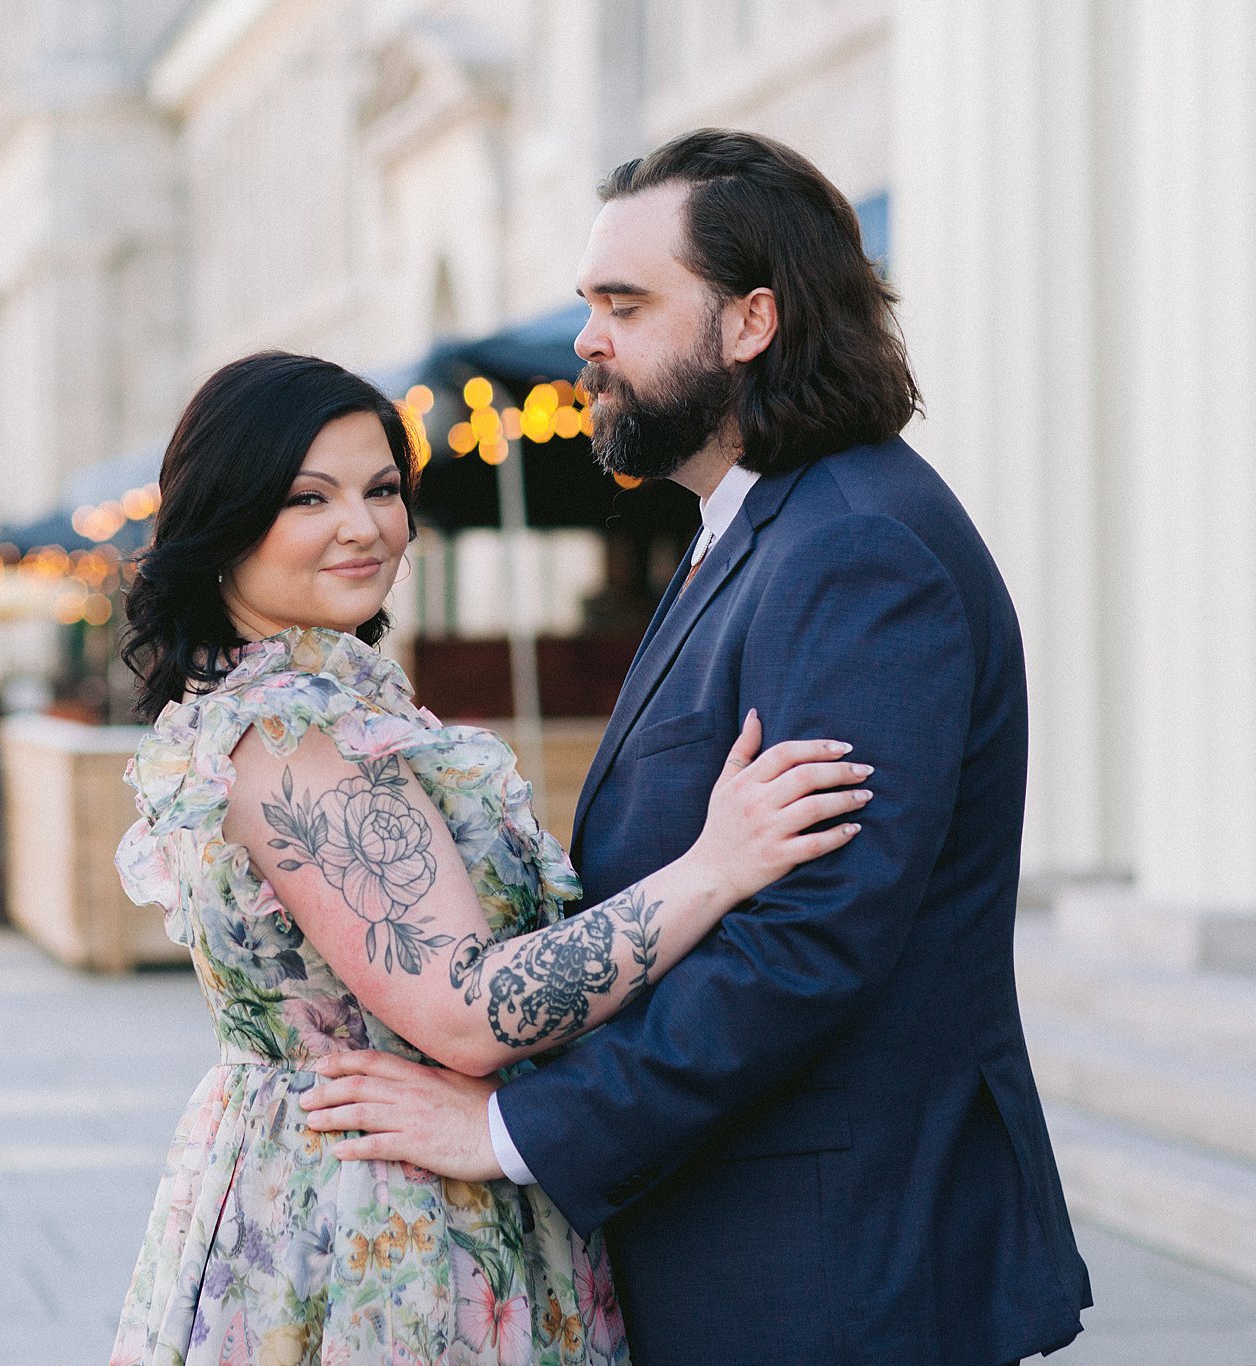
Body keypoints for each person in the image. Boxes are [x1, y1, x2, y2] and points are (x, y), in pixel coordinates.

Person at [302, 129, 1092, 1366]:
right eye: (586, 305)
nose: (585, 341)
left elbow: (806, 946)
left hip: (827, 1266)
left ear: (750, 321)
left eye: (624, 304)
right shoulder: (752, 528)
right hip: (754, 1239)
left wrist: (515, 1129)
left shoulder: (854, 550)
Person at [109, 350, 868, 1365]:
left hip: (397, 1180)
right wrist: (714, 866)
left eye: (382, 489)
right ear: (222, 520)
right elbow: (468, 1010)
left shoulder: (328, 698)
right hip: (380, 1222)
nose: (363, 526)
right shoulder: (285, 728)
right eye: (307, 497)